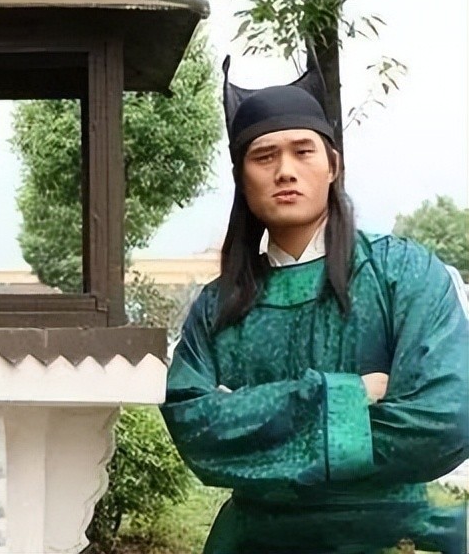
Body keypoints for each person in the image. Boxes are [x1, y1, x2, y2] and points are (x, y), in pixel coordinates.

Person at [161, 55, 469, 553]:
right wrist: (348, 396)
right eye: (264, 157)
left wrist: (252, 418)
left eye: (303, 151)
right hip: (254, 540)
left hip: (391, 536)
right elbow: (197, 431)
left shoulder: (403, 274)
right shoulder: (219, 306)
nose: (285, 171)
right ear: (242, 177)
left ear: (333, 166)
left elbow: (444, 422)